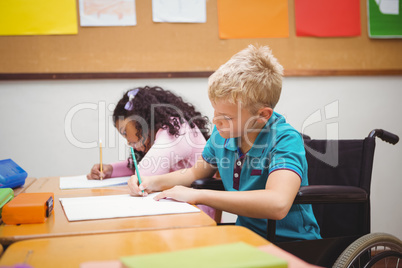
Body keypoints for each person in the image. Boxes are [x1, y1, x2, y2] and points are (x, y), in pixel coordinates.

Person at [127, 45, 322, 241]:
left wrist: (200, 196)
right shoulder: (223, 135)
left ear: (262, 115)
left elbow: (277, 203)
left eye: (225, 117)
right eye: (215, 113)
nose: (214, 122)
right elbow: (195, 173)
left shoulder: (285, 140)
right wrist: (151, 181)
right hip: (246, 238)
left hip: (293, 245)